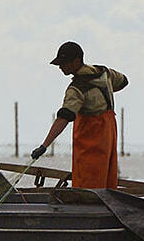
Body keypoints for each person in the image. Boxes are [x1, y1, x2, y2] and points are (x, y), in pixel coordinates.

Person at [30, 41, 128, 189]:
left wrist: (44, 146)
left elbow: (64, 118)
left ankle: (88, 207)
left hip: (91, 138)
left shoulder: (76, 89)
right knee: (106, 176)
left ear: (77, 61)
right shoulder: (104, 73)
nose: (60, 67)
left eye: (64, 63)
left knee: (87, 180)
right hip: (109, 134)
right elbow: (123, 81)